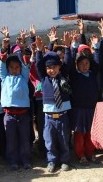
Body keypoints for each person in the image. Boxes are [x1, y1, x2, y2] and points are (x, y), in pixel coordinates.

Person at [35, 34, 72, 173]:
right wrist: (39, 51)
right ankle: (51, 161)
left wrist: (68, 47)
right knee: (49, 141)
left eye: (54, 67)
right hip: (49, 117)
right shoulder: (44, 79)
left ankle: (65, 160)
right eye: (49, 68)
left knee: (64, 139)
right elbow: (38, 64)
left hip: (63, 116)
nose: (52, 70)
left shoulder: (63, 77)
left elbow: (68, 63)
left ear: (59, 67)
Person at [64, 34, 99, 166]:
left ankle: (90, 152)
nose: (84, 66)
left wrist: (95, 47)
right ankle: (81, 154)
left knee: (90, 132)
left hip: (91, 108)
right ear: (77, 65)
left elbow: (97, 61)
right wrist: (71, 47)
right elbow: (69, 63)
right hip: (78, 109)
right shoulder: (74, 75)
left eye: (86, 63)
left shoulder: (93, 73)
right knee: (79, 133)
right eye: (81, 64)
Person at [0, 36, 31, 171]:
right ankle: (13, 161)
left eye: (17, 67)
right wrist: (4, 48)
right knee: (11, 140)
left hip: (23, 114)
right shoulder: (4, 78)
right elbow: (1, 65)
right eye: (11, 67)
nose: (14, 69)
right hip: (9, 115)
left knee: (24, 139)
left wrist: (23, 49)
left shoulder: (24, 77)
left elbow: (25, 65)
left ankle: (26, 160)